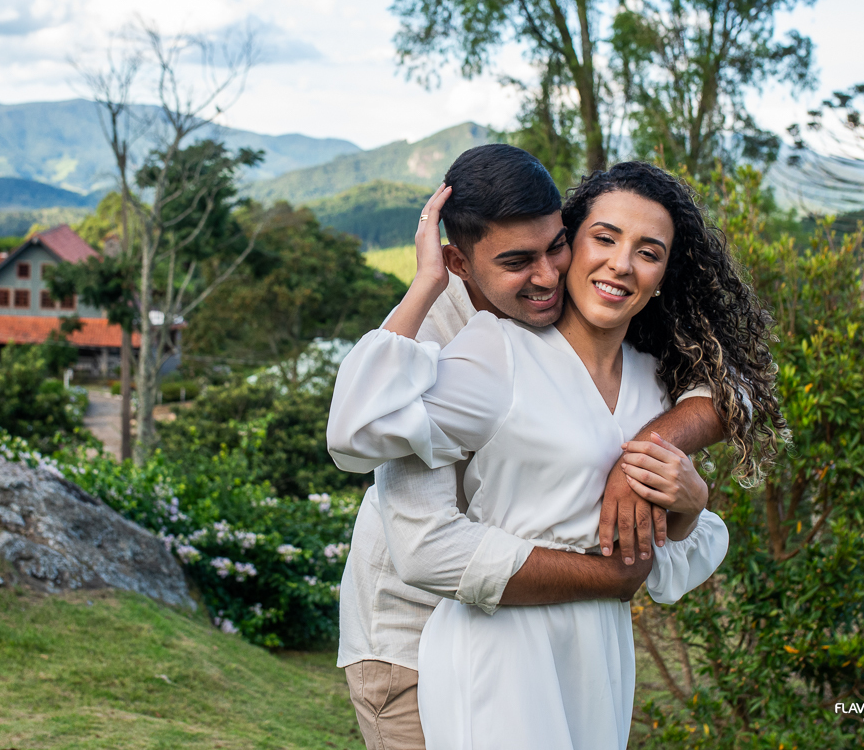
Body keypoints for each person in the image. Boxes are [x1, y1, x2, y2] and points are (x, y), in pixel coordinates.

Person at [329, 156, 786, 749]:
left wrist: (664, 462)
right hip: (415, 631)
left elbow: (738, 389)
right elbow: (411, 526)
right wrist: (613, 576)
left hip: (586, 652)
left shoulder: (635, 360)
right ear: (461, 264)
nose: (545, 276)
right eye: (518, 262)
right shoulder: (462, 335)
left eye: (555, 249)